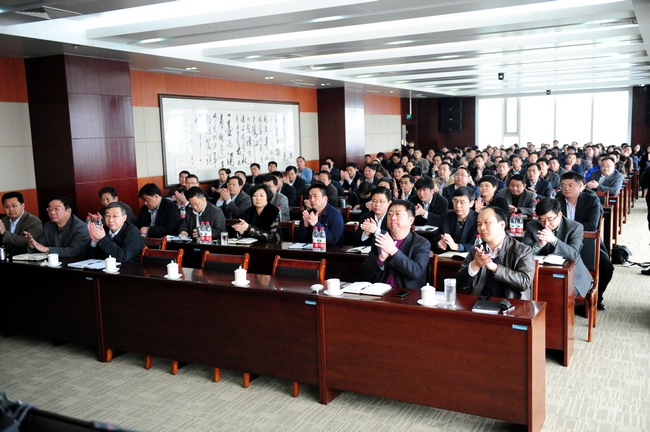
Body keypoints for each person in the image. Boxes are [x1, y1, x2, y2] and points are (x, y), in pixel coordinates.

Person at [555, 172, 613, 310]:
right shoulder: (556, 201)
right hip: (562, 242)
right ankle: (561, 300)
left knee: (607, 268)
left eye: (570, 185)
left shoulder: (591, 200)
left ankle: (597, 298)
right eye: (563, 185)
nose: (566, 188)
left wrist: (569, 229)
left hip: (587, 242)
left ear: (580, 186)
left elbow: (591, 225)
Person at [456, 206, 535, 299]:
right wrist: (475, 265)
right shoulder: (476, 250)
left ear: (502, 225)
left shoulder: (523, 250)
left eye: (487, 222)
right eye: (479, 224)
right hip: (480, 304)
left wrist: (495, 268)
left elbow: (524, 282)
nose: (482, 227)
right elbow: (460, 283)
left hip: (512, 304)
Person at [522, 198, 592, 298]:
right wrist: (540, 244)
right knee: (528, 291)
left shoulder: (575, 227)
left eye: (550, 219)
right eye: (542, 220)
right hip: (540, 272)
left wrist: (553, 240)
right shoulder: (531, 226)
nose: (546, 224)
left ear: (559, 214)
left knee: (559, 293)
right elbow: (524, 252)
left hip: (572, 274)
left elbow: (573, 253)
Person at [360, 200, 430, 289]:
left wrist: (394, 251)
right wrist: (381, 258)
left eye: (398, 214)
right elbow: (365, 272)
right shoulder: (380, 240)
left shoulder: (421, 243)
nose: (393, 217)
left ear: (411, 220)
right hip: (380, 292)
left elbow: (416, 272)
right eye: (390, 214)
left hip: (406, 293)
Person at [25, 196, 90, 258]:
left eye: (57, 209)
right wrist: (33, 245)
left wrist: (47, 249)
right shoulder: (48, 226)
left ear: (68, 211)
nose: (52, 212)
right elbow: (41, 246)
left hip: (75, 263)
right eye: (49, 209)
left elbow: (73, 251)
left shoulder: (81, 227)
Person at [436, 187, 478, 253]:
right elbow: (436, 242)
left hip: (471, 257)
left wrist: (458, 247)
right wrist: (440, 244)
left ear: (471, 203)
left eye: (462, 202)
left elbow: (479, 245)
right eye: (455, 201)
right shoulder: (444, 219)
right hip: (448, 257)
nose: (458, 205)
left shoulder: (479, 220)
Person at [0, 191, 43, 256]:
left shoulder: (33, 221)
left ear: (23, 206)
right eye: (7, 207)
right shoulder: (3, 220)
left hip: (25, 257)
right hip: (6, 257)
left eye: (14, 206)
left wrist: (4, 233)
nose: (11, 209)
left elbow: (27, 242)